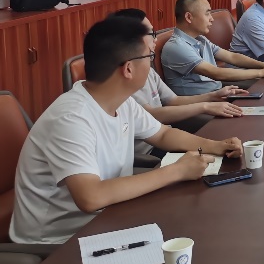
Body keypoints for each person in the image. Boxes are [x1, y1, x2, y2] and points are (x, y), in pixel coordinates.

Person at [10, 16, 243, 244]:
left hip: (109, 216)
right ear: (128, 69)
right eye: (149, 57)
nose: (151, 64)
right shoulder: (71, 118)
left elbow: (162, 134)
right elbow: (91, 197)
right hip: (60, 241)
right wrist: (177, 171)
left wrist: (216, 146)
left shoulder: (121, 101)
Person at [111, 8, 245, 157]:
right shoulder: (124, 81)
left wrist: (213, 96)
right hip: (149, 152)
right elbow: (152, 115)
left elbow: (172, 103)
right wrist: (206, 106)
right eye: (151, 33)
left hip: (164, 138)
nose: (155, 39)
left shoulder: (146, 69)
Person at [162, 0, 264, 96]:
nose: (211, 18)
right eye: (207, 13)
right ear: (189, 17)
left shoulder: (200, 39)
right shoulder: (176, 47)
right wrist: (263, 72)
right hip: (199, 104)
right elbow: (216, 73)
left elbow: (232, 57)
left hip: (218, 93)